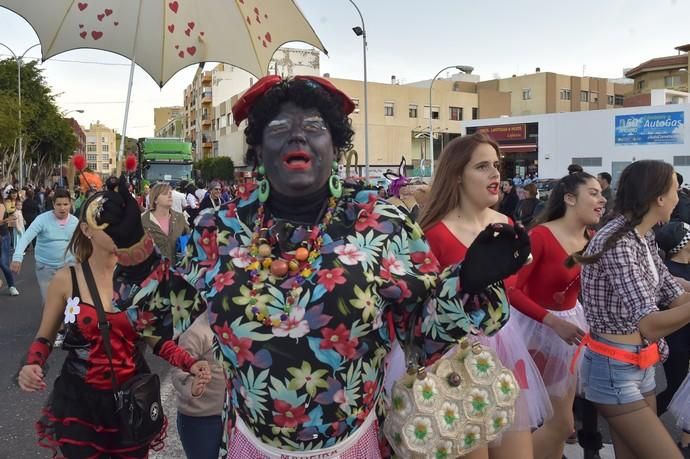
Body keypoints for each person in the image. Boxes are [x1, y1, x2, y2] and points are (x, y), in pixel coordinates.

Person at [103, 76, 531, 458]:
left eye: (314, 127)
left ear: (335, 145)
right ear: (258, 150)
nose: (297, 137)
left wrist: (469, 282)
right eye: (278, 128)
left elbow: (422, 333)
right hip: (250, 445)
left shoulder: (381, 224)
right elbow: (169, 315)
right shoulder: (221, 228)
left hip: (355, 445)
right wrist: (130, 245)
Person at [17, 191, 212, 458]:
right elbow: (45, 337)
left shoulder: (144, 280)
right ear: (86, 229)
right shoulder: (66, 279)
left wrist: (189, 362)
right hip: (80, 404)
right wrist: (33, 364)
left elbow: (155, 338)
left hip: (131, 401)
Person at [420, 132, 551, 459]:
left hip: (505, 348)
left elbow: (512, 289)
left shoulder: (507, 224)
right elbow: (423, 309)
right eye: (482, 166)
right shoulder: (432, 232)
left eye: (496, 165)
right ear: (457, 176)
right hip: (454, 357)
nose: (495, 174)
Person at [576, 160, 690, 459]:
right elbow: (649, 324)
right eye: (676, 190)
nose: (680, 198)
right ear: (659, 198)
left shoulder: (644, 236)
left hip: (640, 364)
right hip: (614, 369)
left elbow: (675, 295)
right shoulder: (619, 242)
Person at [509, 172, 607, 459]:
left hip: (571, 328)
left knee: (558, 423)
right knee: (543, 422)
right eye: (593, 192)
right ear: (569, 198)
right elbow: (511, 289)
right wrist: (551, 321)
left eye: (602, 193)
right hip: (532, 331)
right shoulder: (539, 235)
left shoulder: (592, 237)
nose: (602, 199)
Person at [171, 310, 226, 459]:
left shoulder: (236, 327)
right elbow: (178, 371)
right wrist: (192, 386)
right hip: (201, 420)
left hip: (230, 415)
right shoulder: (195, 330)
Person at [11, 189, 78, 301]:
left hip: (68, 267)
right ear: (53, 204)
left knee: (70, 302)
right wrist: (17, 257)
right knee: (49, 302)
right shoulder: (42, 219)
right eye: (59, 204)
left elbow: (81, 243)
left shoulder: (75, 221)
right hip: (46, 267)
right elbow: (26, 237)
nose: (62, 208)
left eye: (65, 204)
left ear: (70, 204)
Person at [654, 222, 690, 419]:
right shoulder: (668, 272)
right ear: (683, 244)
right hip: (676, 339)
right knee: (676, 385)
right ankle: (646, 419)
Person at [141, 183, 190, 261]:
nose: (170, 196)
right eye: (165, 194)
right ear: (155, 200)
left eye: (170, 193)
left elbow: (189, 240)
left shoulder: (180, 217)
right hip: (153, 269)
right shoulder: (143, 220)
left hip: (177, 269)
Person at [0, 193, 18, 296]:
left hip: (3, 237)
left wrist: (6, 220)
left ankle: (12, 286)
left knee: (3, 263)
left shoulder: (1, 205)